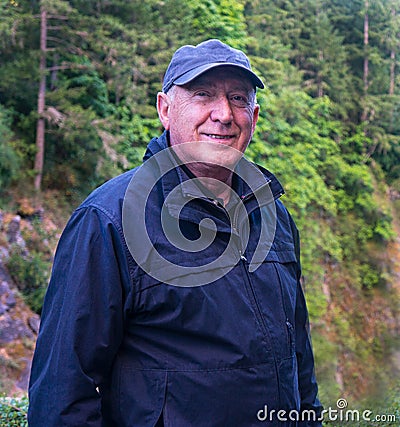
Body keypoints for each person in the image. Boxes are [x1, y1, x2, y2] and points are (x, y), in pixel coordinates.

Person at [28, 39, 323, 426]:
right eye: (203, 95)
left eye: (238, 98)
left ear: (255, 115)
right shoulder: (109, 219)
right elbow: (62, 393)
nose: (223, 114)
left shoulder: (274, 216)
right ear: (165, 110)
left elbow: (298, 360)